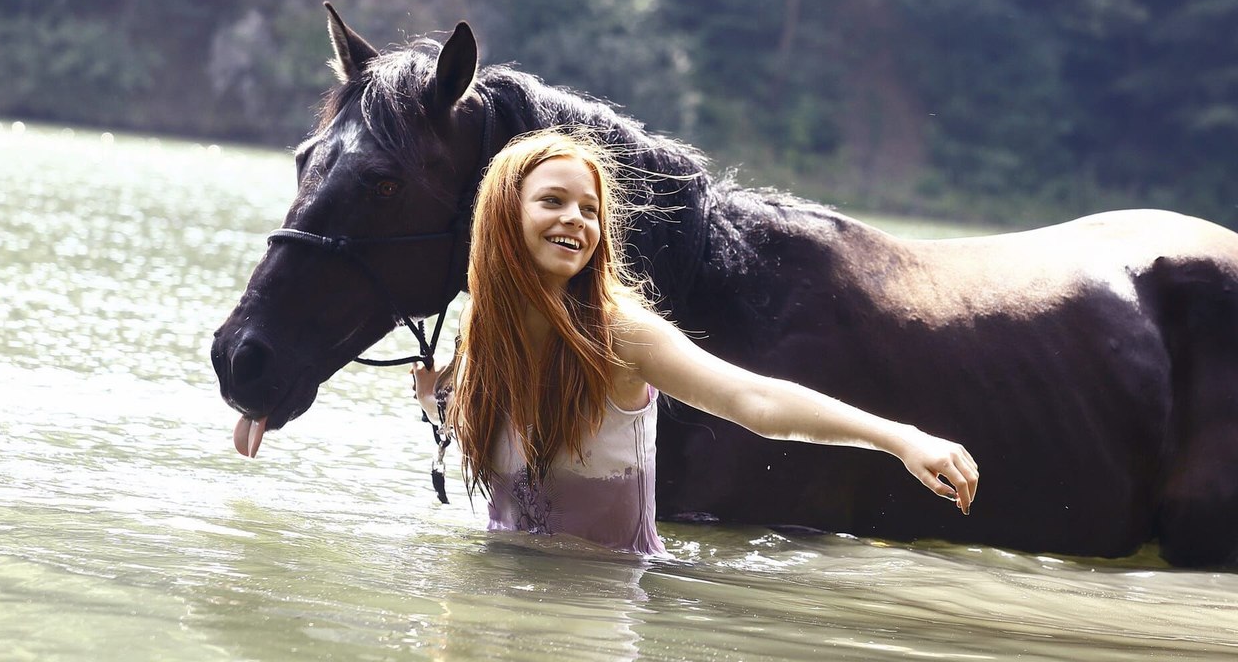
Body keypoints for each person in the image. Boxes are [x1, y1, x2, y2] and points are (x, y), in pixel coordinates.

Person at [413, 128, 979, 556]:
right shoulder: (481, 336)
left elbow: (753, 401)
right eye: (553, 201)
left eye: (590, 209)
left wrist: (899, 438)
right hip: (496, 591)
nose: (577, 220)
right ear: (503, 216)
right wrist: (439, 395)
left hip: (601, 608)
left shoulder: (621, 334)